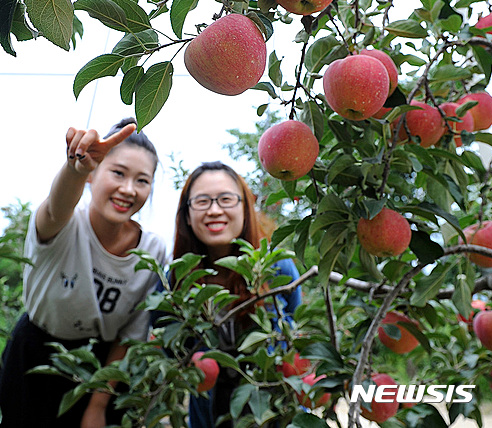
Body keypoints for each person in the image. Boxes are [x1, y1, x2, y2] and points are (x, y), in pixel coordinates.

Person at [0, 118, 167, 428]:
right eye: (117, 173)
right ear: (94, 174)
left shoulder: (153, 249)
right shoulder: (65, 225)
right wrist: (75, 169)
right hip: (35, 353)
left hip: (101, 366)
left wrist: (98, 405)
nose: (128, 189)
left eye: (142, 180)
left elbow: (131, 333)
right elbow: (55, 208)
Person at [152, 161, 301, 428]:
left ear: (245, 207)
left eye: (226, 199)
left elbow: (293, 323)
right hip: (208, 415)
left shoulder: (276, 268)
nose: (214, 210)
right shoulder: (173, 281)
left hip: (272, 411)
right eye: (202, 201)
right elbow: (166, 340)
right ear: (187, 215)